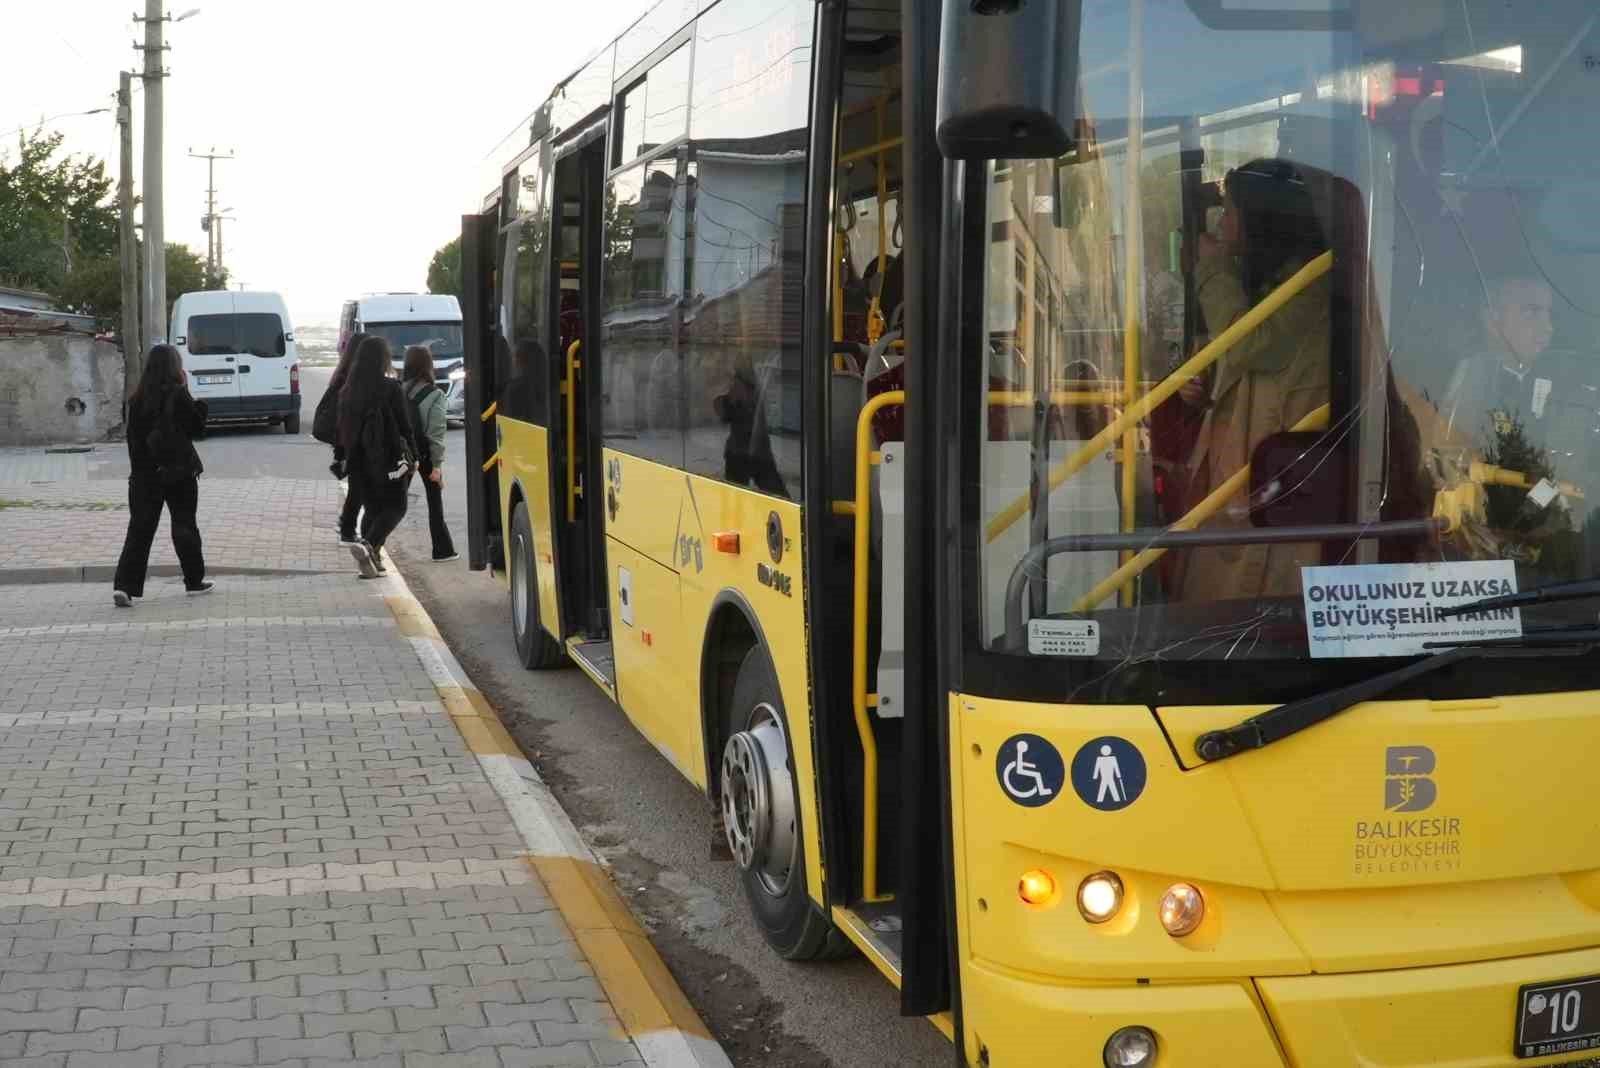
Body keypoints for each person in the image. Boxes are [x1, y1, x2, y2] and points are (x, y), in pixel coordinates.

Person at [1173, 158, 1332, 601]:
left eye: (1231, 212)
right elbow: (1246, 363)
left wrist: (1211, 270)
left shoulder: (1311, 286)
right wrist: (1202, 385)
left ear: (1261, 222)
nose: (1222, 223)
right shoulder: (1271, 284)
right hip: (1244, 469)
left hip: (1270, 482)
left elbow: (1250, 345)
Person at [113, 344, 213, 605]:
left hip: (144, 478)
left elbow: (133, 444)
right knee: (184, 525)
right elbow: (197, 430)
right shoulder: (178, 395)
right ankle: (193, 582)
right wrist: (191, 395)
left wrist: (141, 472)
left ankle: (124, 587)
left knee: (139, 531)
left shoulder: (136, 401)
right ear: (174, 367)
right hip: (178, 474)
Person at [1440, 275, 1554, 444]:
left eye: (1549, 314)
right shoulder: (1460, 377)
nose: (1548, 328)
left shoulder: (1565, 384)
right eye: (1531, 312)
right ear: (1493, 320)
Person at [338, 336, 414, 578]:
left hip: (358, 460)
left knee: (372, 508)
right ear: (384, 359)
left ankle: (372, 560)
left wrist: (344, 456)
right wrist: (415, 454)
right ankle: (369, 545)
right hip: (388, 458)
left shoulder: (348, 390)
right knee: (396, 506)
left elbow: (342, 428)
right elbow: (404, 425)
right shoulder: (391, 388)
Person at [402, 345, 458, 562]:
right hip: (425, 454)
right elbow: (436, 432)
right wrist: (436, 466)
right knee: (435, 502)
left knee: (394, 503)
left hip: (403, 454)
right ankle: (442, 550)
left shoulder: (399, 390)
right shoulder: (435, 395)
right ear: (428, 365)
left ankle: (374, 543)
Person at [319, 331, 370, 546]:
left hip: (344, 441)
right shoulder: (354, 378)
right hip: (355, 440)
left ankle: (347, 526)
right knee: (359, 488)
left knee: (358, 487)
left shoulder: (341, 374)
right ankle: (348, 529)